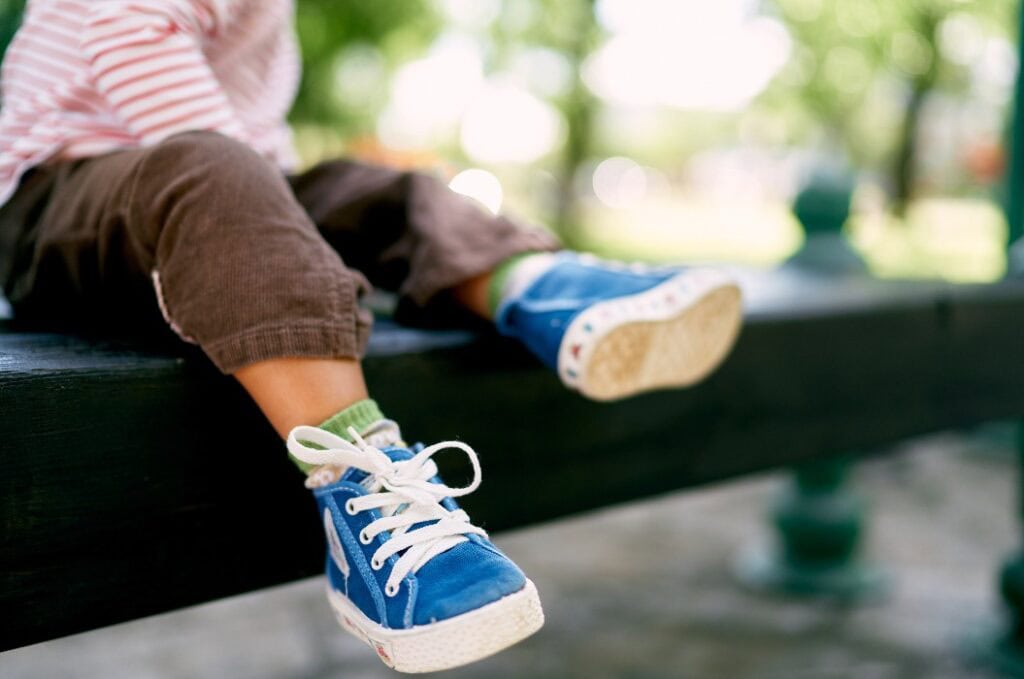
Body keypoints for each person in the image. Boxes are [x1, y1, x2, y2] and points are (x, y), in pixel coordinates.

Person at [0, 0, 743, 672]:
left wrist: (282, 201)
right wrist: (263, 203)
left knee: (385, 190)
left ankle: (537, 289)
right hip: (55, 204)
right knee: (218, 172)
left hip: (194, 183)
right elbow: (129, 29)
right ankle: (363, 476)